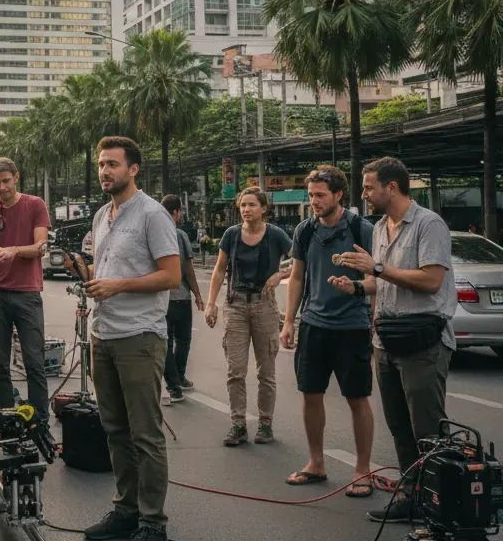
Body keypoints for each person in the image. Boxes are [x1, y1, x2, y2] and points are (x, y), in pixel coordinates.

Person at [333, 157, 457, 523]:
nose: (364, 193)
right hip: (386, 340)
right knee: (400, 427)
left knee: (427, 428)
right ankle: (412, 496)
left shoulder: (428, 224)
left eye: (369, 186)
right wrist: (356, 285)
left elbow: (430, 280)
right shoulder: (378, 228)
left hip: (422, 341)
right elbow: (381, 281)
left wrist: (378, 268)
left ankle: (443, 502)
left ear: (392, 187)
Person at [79, 137, 181, 541]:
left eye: (113, 165)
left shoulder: (153, 215)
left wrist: (118, 285)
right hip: (103, 333)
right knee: (115, 428)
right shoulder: (104, 214)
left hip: (140, 336)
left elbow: (171, 276)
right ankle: (126, 510)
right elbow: (107, 269)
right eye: (101, 164)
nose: (105, 171)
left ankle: (153, 523)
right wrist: (87, 273)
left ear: (134, 169)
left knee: (145, 433)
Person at [279, 166, 375, 496]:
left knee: (357, 398)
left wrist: (357, 286)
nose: (314, 202)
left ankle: (363, 470)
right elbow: (297, 278)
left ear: (338, 195)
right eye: (311, 196)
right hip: (314, 324)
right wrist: (290, 321)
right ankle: (316, 463)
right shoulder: (305, 230)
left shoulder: (362, 229)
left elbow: (378, 279)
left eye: (320, 195)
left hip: (352, 326)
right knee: (310, 393)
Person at [204, 187, 291, 447]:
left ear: (264, 208)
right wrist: (211, 304)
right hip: (236, 306)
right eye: (243, 205)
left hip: (264, 306)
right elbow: (220, 270)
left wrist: (280, 275)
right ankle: (238, 424)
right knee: (236, 370)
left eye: (252, 205)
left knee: (266, 371)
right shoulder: (231, 235)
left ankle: (265, 423)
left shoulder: (275, 235)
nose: (246, 209)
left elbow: (299, 260)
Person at [0, 157, 51, 418]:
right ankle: (6, 416)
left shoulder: (35, 205)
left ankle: (40, 418)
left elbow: (41, 247)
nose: (2, 187)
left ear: (16, 177)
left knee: (34, 362)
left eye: (6, 181)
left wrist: (14, 251)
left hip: (28, 293)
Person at [159, 194, 204, 404]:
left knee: (167, 342)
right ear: (176, 212)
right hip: (180, 297)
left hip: (160, 298)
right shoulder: (179, 234)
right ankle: (177, 380)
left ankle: (175, 382)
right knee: (183, 339)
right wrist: (197, 294)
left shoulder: (153, 231)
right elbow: (188, 269)